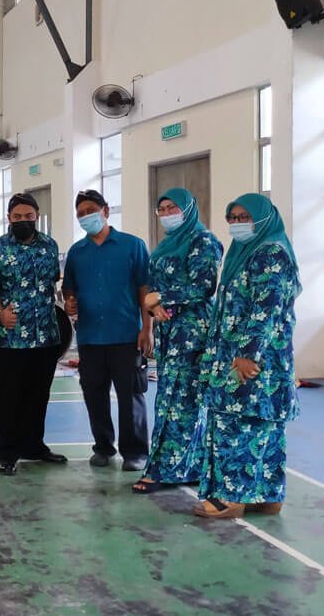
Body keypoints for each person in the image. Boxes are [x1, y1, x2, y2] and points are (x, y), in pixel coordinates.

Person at [194, 194, 300, 519]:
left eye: (245, 217)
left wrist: (248, 353)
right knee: (262, 426)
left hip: (250, 359)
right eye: (233, 218)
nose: (237, 224)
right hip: (240, 355)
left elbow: (266, 306)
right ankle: (266, 496)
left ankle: (231, 499)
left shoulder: (270, 253)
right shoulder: (244, 252)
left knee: (237, 424)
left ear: (264, 218)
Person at [134, 189, 223, 494]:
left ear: (188, 209)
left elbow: (204, 286)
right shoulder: (167, 244)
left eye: (172, 207)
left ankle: (165, 470)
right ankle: (185, 468)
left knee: (182, 403)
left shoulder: (203, 241)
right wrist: (153, 305)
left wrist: (162, 297)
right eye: (162, 209)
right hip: (169, 332)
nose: (166, 214)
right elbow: (154, 288)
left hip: (193, 334)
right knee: (171, 399)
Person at [62, 189, 152, 471]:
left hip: (126, 334)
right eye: (80, 214)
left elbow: (145, 290)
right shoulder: (77, 253)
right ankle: (103, 447)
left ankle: (135, 452)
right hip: (90, 337)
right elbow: (69, 291)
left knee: (131, 396)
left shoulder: (132, 246)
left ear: (106, 211)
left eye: (91, 210)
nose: (86, 216)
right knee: (94, 395)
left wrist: (147, 328)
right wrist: (69, 303)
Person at [0, 193, 66, 475]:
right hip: (7, 339)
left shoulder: (50, 246)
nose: (23, 221)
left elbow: (52, 283)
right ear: (8, 218)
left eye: (28, 216)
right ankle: (6, 452)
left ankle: (34, 446)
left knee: (38, 396)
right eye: (17, 217)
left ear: (36, 216)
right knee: (7, 399)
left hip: (45, 336)